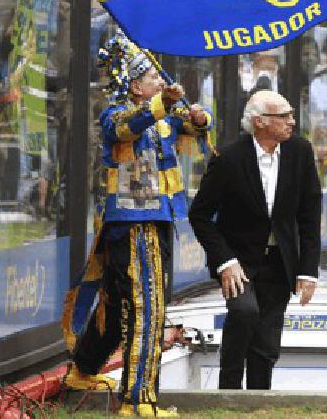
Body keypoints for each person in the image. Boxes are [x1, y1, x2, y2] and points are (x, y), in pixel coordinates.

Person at [61, 28, 213, 417]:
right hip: (134, 223)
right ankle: (138, 400)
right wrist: (163, 103)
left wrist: (200, 117)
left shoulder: (163, 114)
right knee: (149, 307)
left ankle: (84, 368)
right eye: (151, 78)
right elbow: (127, 127)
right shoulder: (116, 112)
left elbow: (196, 126)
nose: (159, 81)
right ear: (134, 85)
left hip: (155, 218)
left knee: (115, 304)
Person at [187, 90, 322, 390]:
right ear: (260, 122)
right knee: (245, 312)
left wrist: (308, 271)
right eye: (283, 116)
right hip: (238, 261)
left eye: (291, 115)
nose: (292, 121)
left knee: (266, 340)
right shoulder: (229, 158)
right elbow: (199, 215)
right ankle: (228, 394)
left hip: (280, 261)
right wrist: (224, 261)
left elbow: (310, 216)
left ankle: (259, 400)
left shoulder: (300, 152)